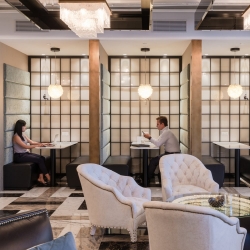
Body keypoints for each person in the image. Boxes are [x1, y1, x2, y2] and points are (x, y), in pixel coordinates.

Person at [12, 119, 51, 186]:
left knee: (42, 158)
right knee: (39, 159)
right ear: (20, 127)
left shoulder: (23, 135)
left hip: (25, 154)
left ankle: (41, 178)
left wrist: (44, 143)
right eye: (24, 126)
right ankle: (48, 177)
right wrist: (37, 145)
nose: (25, 127)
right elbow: (25, 146)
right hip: (19, 156)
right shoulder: (16, 137)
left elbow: (31, 142)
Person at [143, 116, 180, 183]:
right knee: (154, 161)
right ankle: (148, 178)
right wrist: (150, 138)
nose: (156, 126)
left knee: (153, 162)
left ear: (162, 124)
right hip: (171, 154)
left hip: (172, 155)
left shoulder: (166, 132)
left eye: (158, 124)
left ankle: (146, 180)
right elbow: (158, 141)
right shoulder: (166, 131)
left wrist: (149, 137)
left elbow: (158, 143)